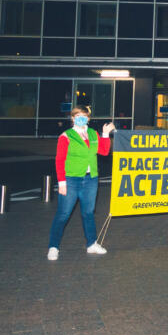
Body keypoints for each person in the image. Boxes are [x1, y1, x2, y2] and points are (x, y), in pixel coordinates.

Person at [47, 107, 114, 261]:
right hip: (71, 179)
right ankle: (53, 246)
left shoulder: (92, 133)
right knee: (63, 214)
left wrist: (105, 134)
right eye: (78, 116)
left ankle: (92, 244)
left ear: (89, 119)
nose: (81, 118)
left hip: (91, 179)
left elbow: (104, 151)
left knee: (88, 213)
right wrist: (62, 181)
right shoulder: (66, 136)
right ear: (72, 118)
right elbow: (60, 160)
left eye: (84, 116)